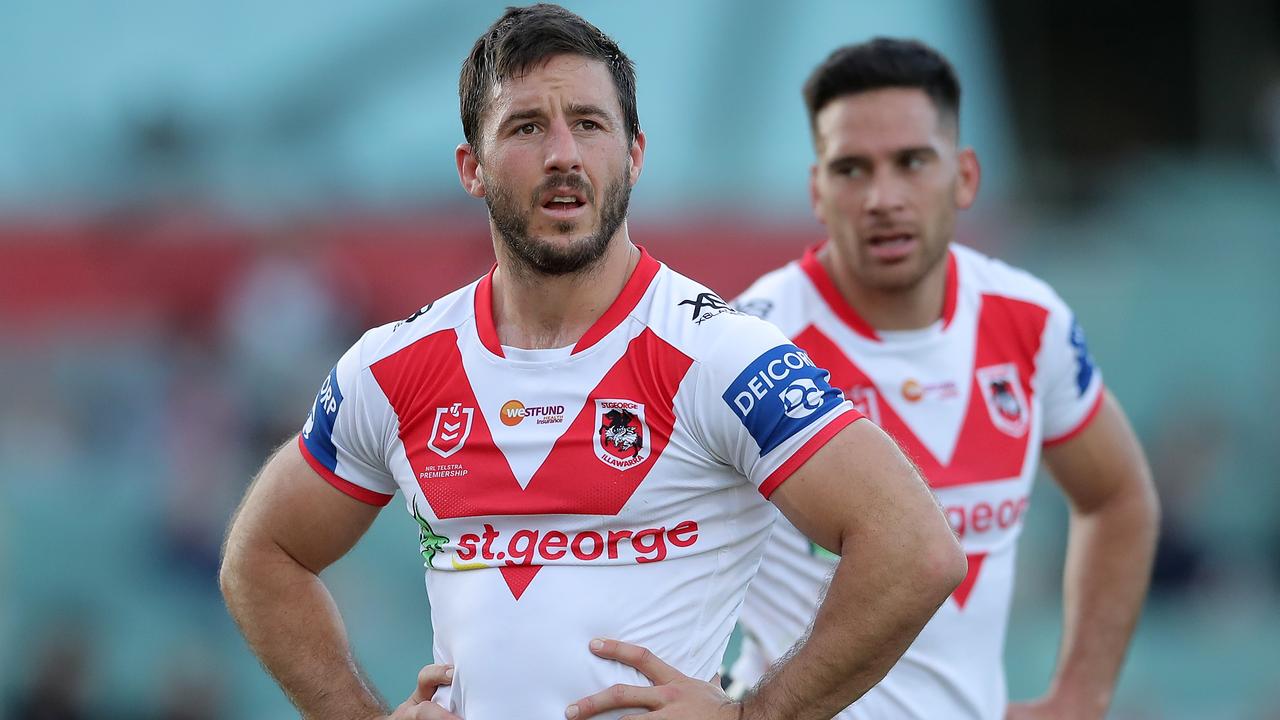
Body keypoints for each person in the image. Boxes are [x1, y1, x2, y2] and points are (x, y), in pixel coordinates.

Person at [218, 7, 966, 720]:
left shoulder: (720, 356)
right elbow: (262, 557)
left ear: (634, 155)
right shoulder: (393, 366)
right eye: (525, 127)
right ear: (470, 167)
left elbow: (915, 550)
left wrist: (759, 715)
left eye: (589, 124)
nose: (563, 154)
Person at [727, 38, 1160, 720]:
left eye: (911, 163)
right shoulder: (751, 340)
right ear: (817, 189)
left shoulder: (1030, 320)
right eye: (851, 169)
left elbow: (1117, 496)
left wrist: (1082, 696)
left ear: (963, 176)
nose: (882, 197)